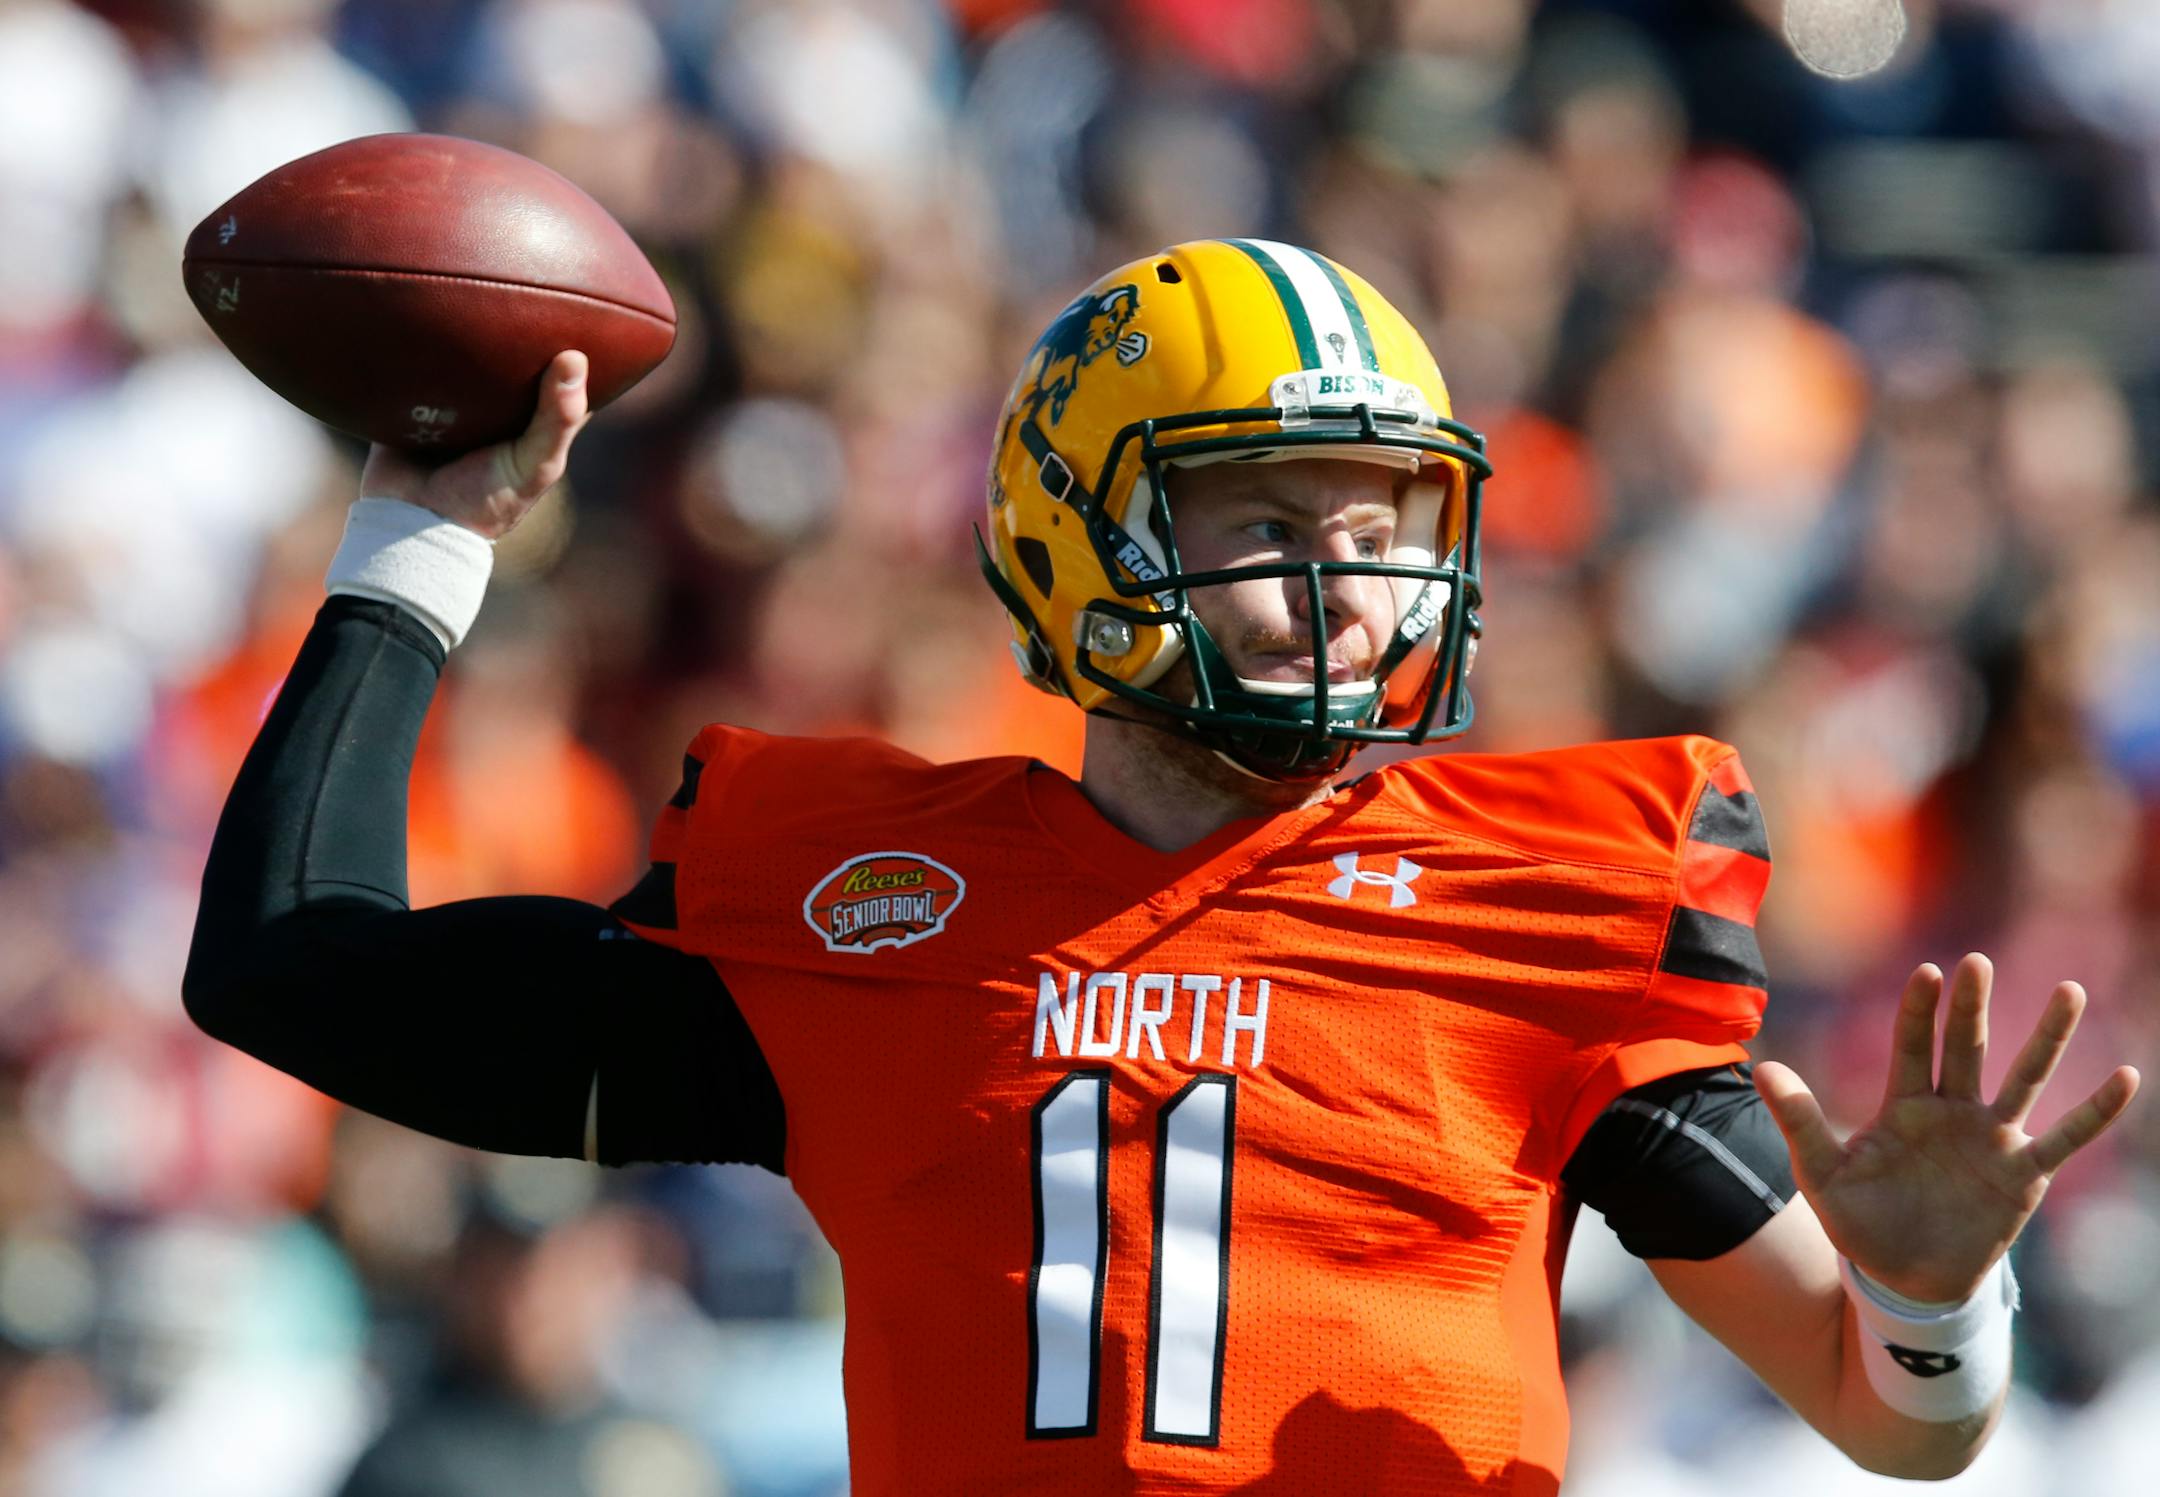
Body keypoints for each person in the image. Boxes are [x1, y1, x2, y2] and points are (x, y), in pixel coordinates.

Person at [185, 239, 2139, 1495]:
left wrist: (1928, 1292)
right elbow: (288, 963)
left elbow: (1904, 1419)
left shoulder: (1533, 902)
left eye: (1384, 520)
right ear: (1072, 537)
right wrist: (417, 549)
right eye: (1264, 512)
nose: (1343, 578)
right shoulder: (868, 904)